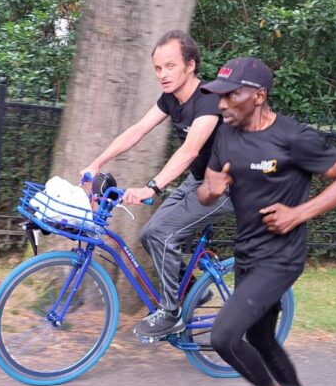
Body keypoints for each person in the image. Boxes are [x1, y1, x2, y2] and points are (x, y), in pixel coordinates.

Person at [197, 57, 336, 386]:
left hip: (281, 258)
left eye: (231, 95)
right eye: (218, 96)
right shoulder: (224, 135)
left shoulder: (293, 138)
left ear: (258, 96)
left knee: (224, 336)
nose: (222, 105)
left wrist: (299, 213)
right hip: (247, 253)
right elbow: (206, 190)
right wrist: (213, 190)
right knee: (260, 338)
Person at [81, 30, 232, 340]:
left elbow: (190, 150)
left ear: (190, 65)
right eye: (158, 68)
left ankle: (171, 312)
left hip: (229, 186)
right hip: (201, 179)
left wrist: (153, 187)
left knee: (163, 234)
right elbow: (137, 130)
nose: (163, 74)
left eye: (170, 66)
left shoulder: (209, 100)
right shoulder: (170, 100)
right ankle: (190, 292)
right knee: (150, 234)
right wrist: (97, 162)